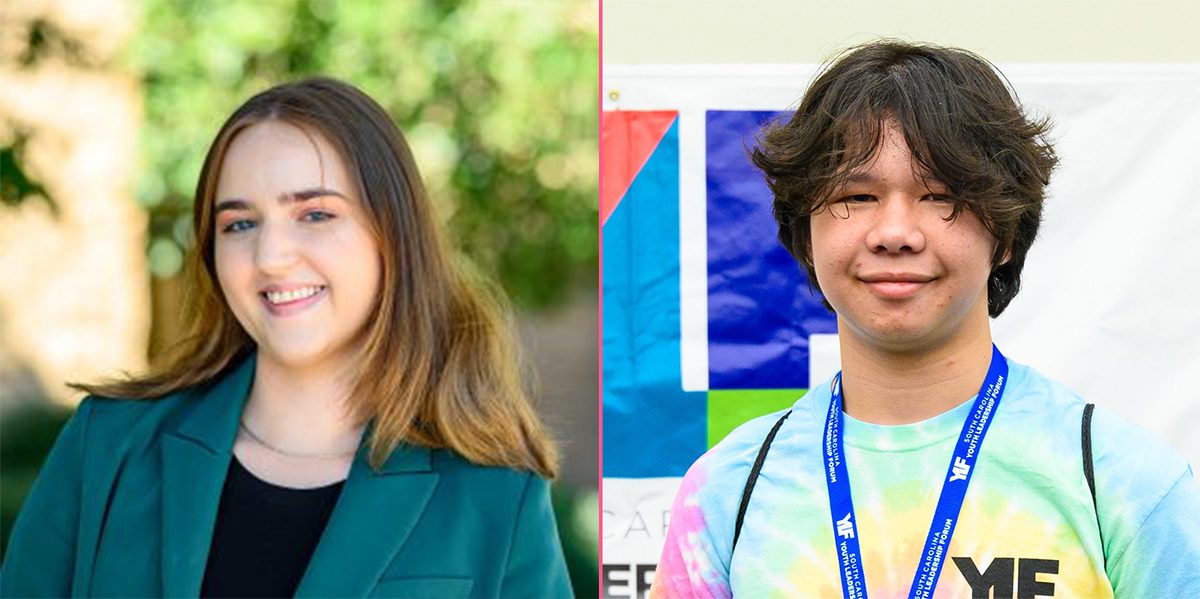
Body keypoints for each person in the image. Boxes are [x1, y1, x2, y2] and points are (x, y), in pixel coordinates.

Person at [651, 41, 1200, 598]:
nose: (895, 233)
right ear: (806, 232)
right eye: (858, 194)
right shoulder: (727, 493)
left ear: (1005, 234)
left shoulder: (1123, 483)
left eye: (939, 195)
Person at [1, 77, 572, 598]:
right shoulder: (108, 446)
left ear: (392, 235)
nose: (271, 257)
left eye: (315, 214)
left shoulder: (494, 496)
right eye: (239, 224)